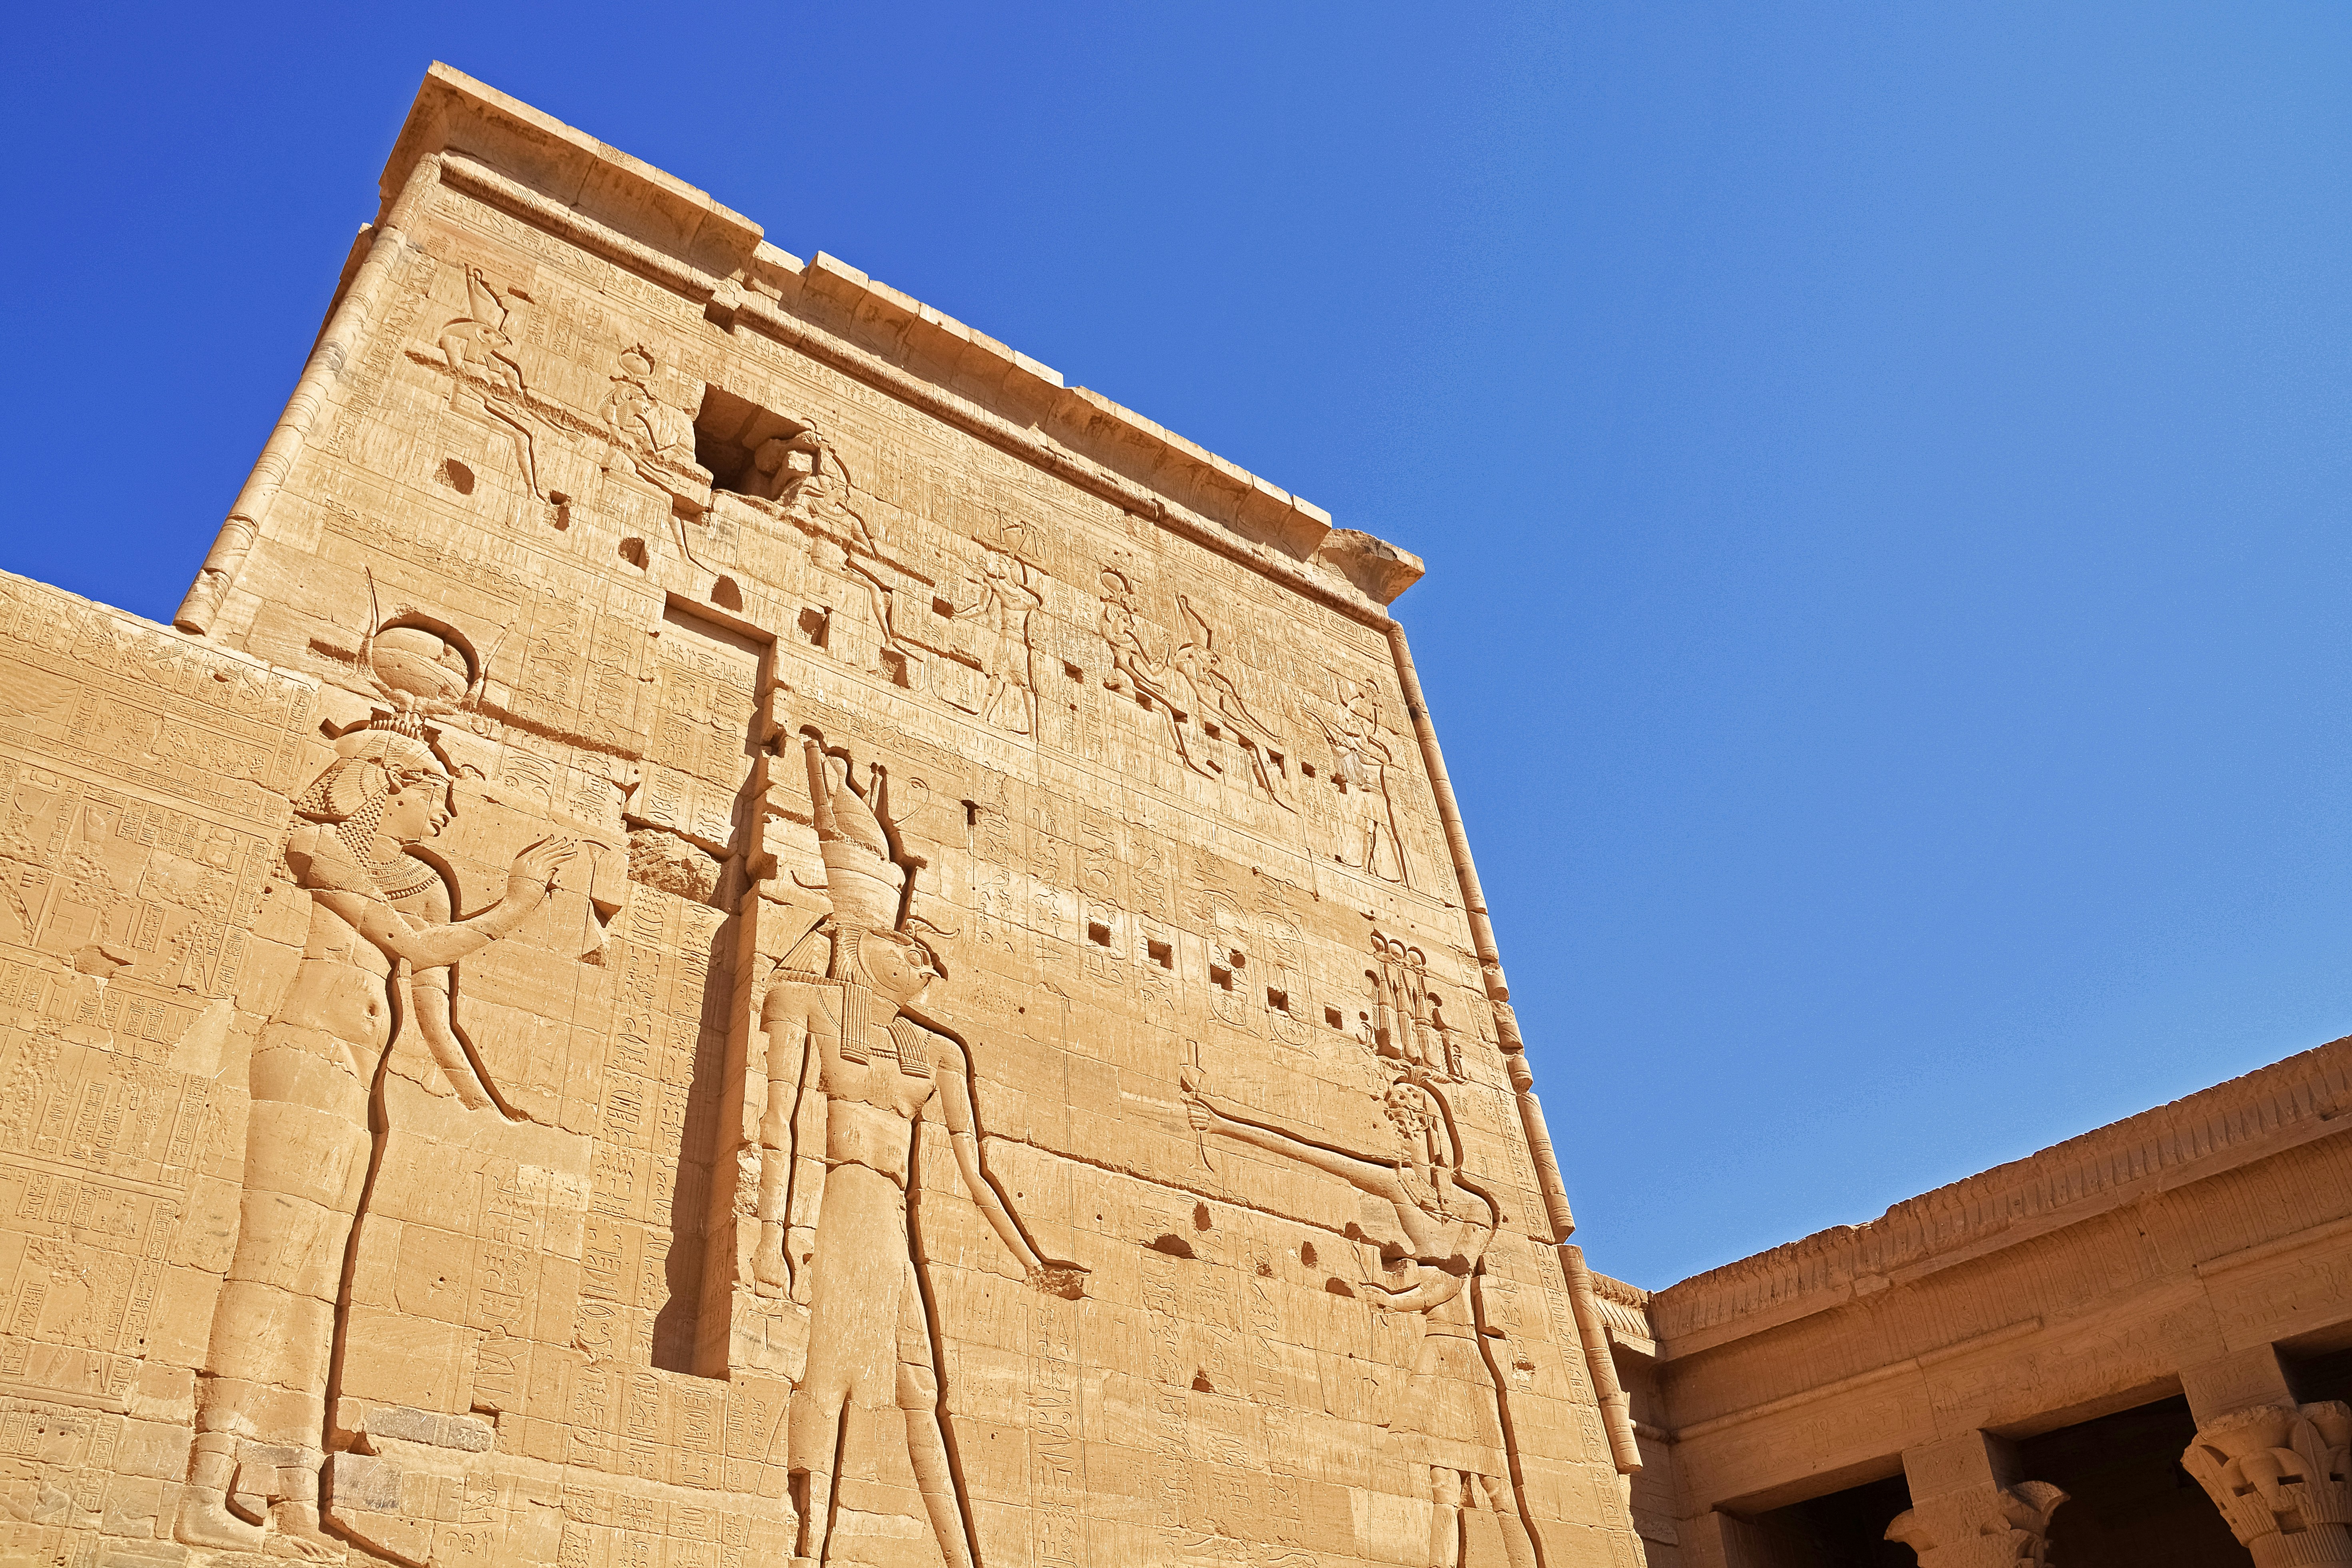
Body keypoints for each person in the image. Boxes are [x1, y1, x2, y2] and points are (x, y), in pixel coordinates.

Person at [177, 723, 573, 1557]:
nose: (446, 809)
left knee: (318, 1284)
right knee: (271, 1267)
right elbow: (414, 945)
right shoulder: (319, 847)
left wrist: (490, 1109)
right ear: (378, 785)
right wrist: (519, 901)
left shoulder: (424, 882)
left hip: (354, 1076)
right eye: (433, 789)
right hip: (304, 1059)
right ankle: (205, 1488)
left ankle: (292, 1502)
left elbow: (435, 1013)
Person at [756, 738, 1081, 1568]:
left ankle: (958, 1553)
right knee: (826, 1379)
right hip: (839, 1200)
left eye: (929, 954)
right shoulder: (809, 1001)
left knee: (921, 1387)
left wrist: (1031, 1260)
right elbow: (780, 1121)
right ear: (864, 943)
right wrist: (772, 1234)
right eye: (912, 946)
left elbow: (975, 1175)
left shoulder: (939, 1051)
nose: (928, 962)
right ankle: (806, 1540)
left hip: (888, 1213)